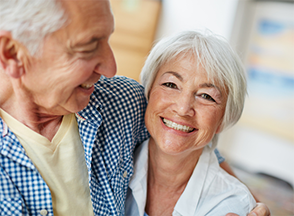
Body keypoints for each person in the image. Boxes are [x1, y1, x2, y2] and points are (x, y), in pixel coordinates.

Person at [0, 0, 269, 215]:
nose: (111, 67)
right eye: (88, 46)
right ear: (12, 53)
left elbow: (188, 135)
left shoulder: (121, 100)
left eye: (108, 40)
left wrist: (246, 200)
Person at [125, 30, 269, 216]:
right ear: (149, 92)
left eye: (206, 96)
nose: (183, 108)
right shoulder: (111, 162)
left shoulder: (232, 205)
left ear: (223, 120)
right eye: (171, 85)